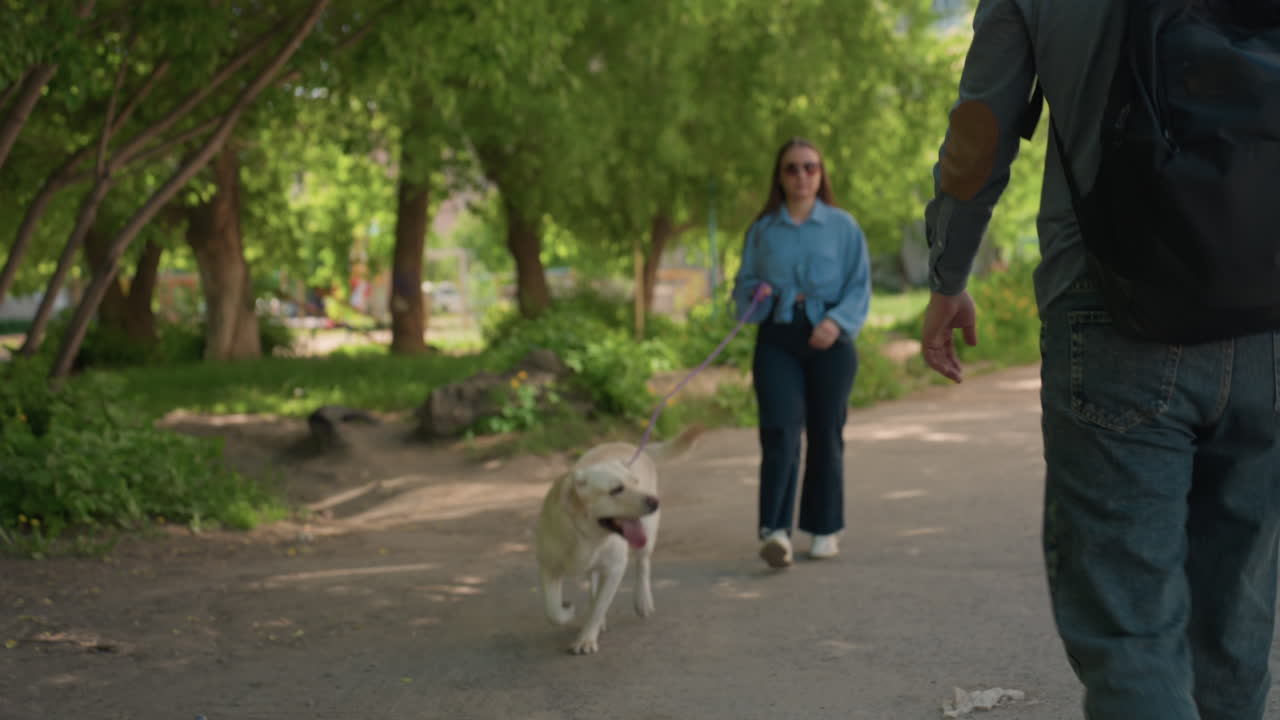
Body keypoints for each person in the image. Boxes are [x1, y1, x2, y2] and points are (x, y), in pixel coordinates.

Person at [921, 1, 1280, 718]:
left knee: (1131, 637)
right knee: (1236, 625)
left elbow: (979, 132)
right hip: (1269, 307)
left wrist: (948, 276)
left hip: (1110, 302)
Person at [732, 137, 871, 569]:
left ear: (821, 174)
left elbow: (859, 285)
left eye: (810, 167)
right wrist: (757, 293)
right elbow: (742, 289)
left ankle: (825, 528)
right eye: (792, 168)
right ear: (779, 176)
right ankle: (774, 531)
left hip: (832, 340)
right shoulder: (763, 230)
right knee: (780, 431)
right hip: (778, 338)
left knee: (826, 433)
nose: (802, 176)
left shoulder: (844, 227)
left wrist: (838, 322)